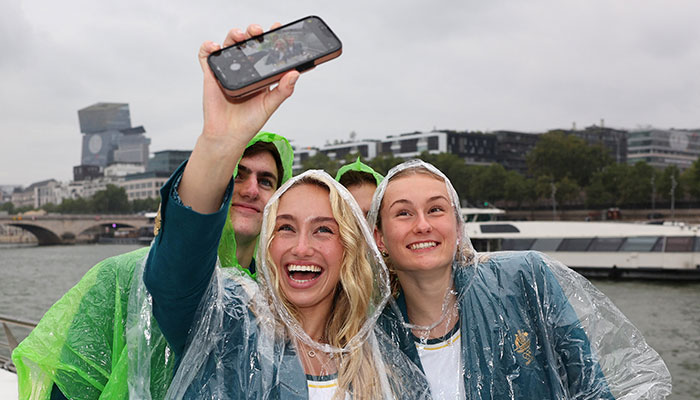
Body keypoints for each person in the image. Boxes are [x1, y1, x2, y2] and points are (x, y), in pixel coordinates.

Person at [142, 23, 429, 399]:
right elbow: (175, 272)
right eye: (286, 228)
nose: (301, 248)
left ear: (349, 250)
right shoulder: (225, 332)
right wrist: (220, 141)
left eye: (324, 230)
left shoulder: (387, 356)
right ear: (267, 245)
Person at [11, 131, 292, 400]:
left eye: (266, 181)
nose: (252, 189)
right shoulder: (123, 276)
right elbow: (73, 387)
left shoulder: (281, 296)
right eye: (237, 175)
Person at [369, 160, 673, 399]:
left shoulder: (525, 280)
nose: (422, 225)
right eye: (404, 213)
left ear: (458, 227)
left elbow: (592, 386)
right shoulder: (373, 337)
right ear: (379, 238)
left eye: (435, 209)